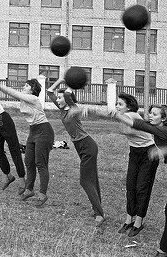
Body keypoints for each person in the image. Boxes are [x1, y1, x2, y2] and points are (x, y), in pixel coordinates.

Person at [46, 78, 104, 226]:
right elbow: (49, 92)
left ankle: (99, 214)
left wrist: (71, 82)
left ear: (67, 100)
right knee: (92, 178)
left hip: (87, 145)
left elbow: (66, 95)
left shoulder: (73, 108)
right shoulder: (62, 109)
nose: (58, 100)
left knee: (85, 180)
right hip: (80, 146)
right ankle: (97, 207)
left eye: (60, 98)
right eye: (58, 98)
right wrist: (60, 79)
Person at [0, 78, 54, 207]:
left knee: (40, 163)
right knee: (29, 161)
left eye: (26, 86)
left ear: (32, 89)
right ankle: (29, 190)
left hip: (44, 131)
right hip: (33, 131)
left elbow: (15, 94)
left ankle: (42, 194)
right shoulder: (24, 99)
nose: (23, 87)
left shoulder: (34, 99)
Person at [113, 105, 167, 253]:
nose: (150, 115)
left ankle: (162, 250)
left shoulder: (161, 130)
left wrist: (119, 114)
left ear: (163, 118)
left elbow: (140, 125)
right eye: (150, 112)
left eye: (154, 114)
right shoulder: (159, 130)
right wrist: (162, 151)